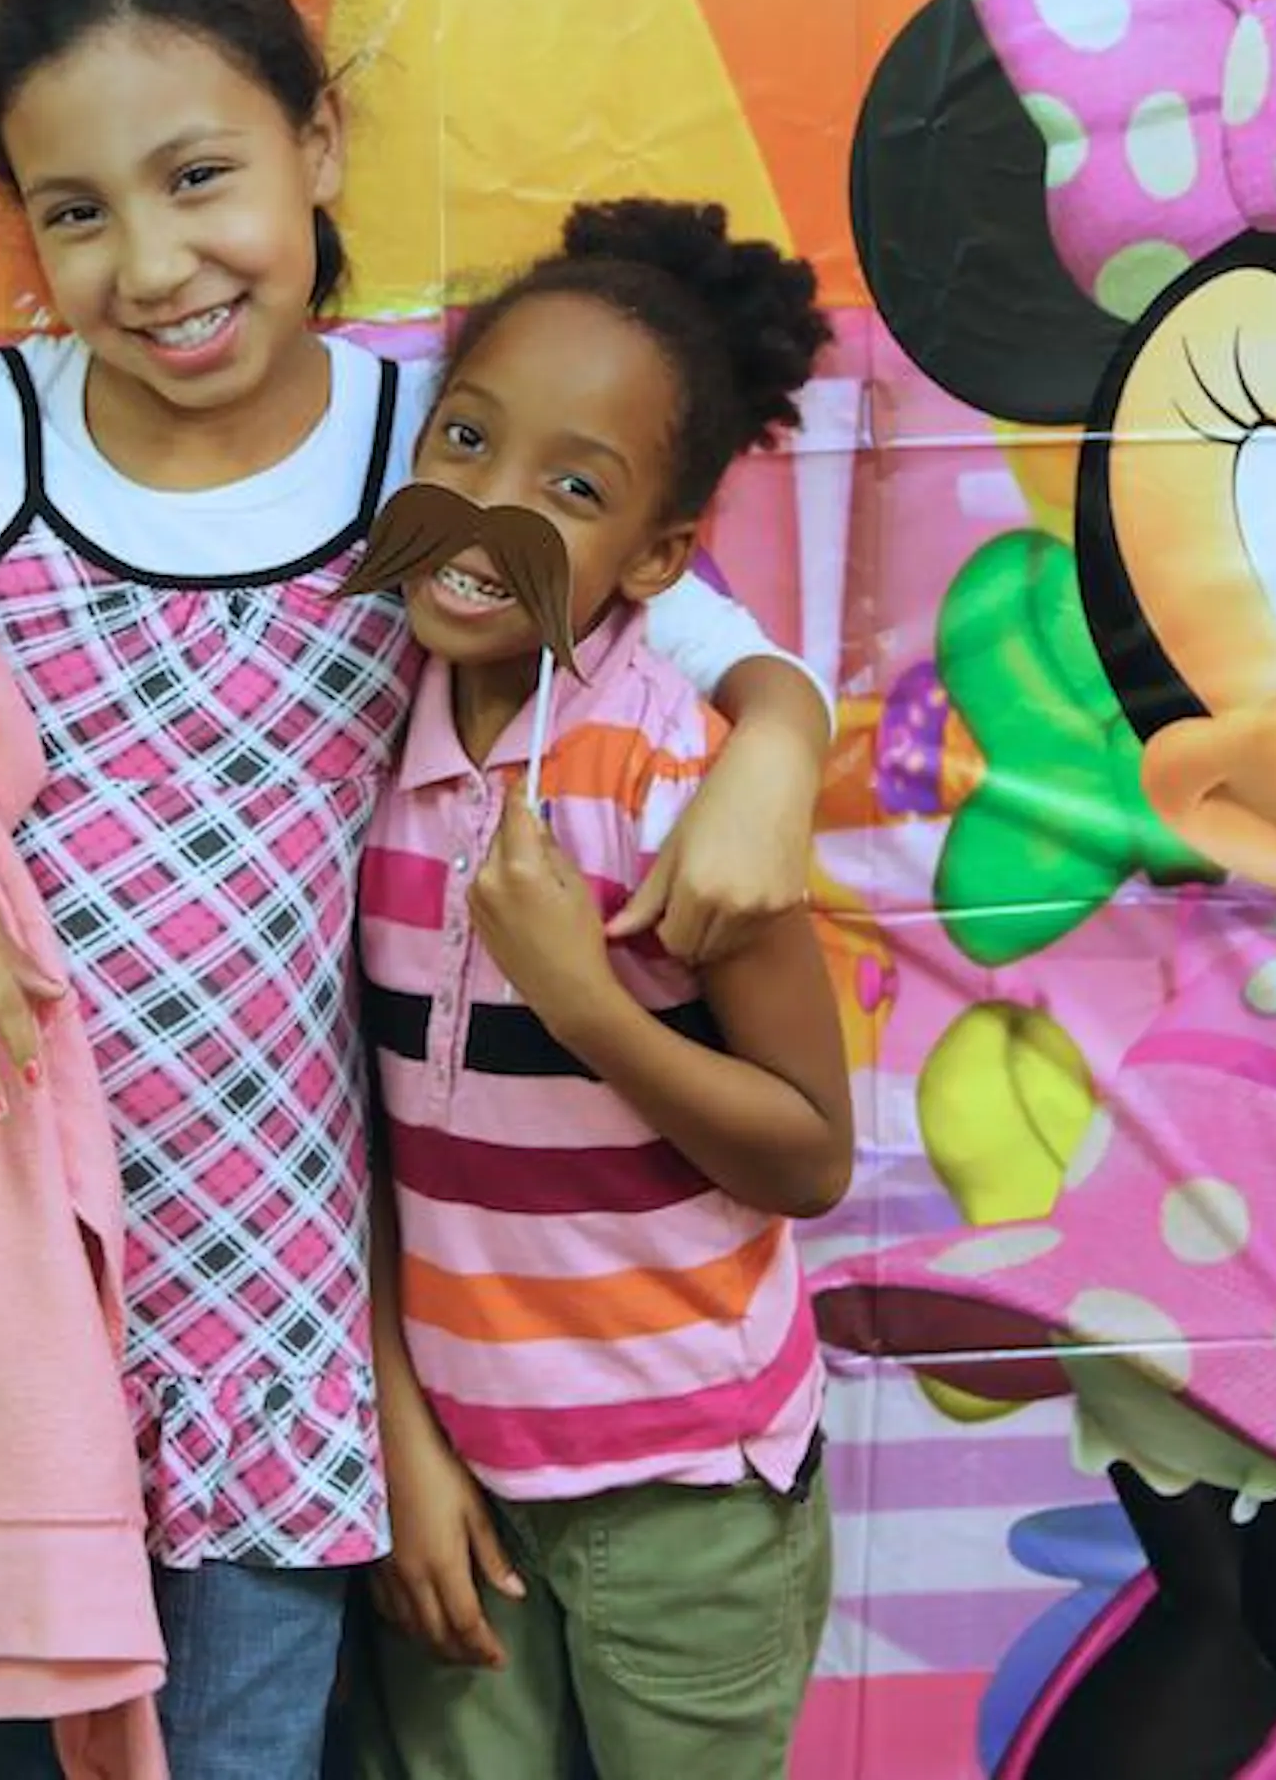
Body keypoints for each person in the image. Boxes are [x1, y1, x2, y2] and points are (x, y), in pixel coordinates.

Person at [0, 0, 834, 1780]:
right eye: (77, 210)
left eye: (200, 176)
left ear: (318, 144)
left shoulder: (435, 445)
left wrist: (781, 743)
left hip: (269, 1312)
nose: (153, 264)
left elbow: (695, 632)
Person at [349, 200, 853, 1779]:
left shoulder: (671, 775)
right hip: (461, 1479)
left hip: (685, 1491)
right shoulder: (367, 741)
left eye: (571, 488)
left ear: (657, 556)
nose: (487, 512)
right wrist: (405, 1438)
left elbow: (808, 1156)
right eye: (465, 441)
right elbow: (362, 1141)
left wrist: (589, 1010)